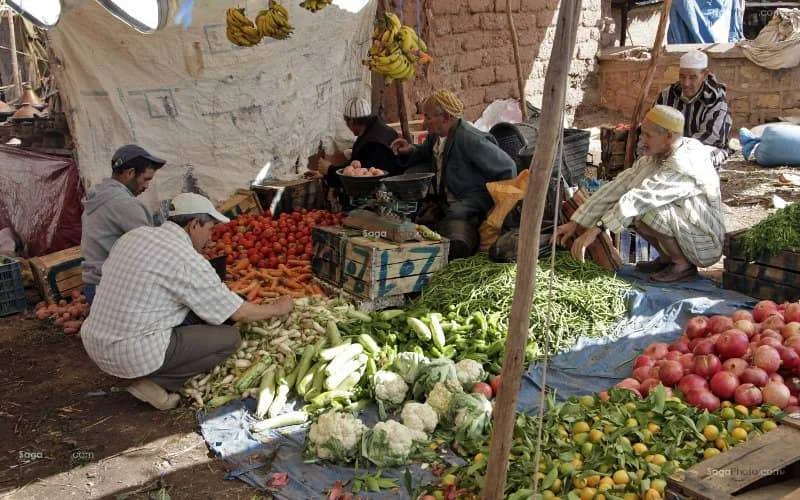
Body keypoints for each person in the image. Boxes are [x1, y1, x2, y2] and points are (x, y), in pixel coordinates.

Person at [80, 193, 294, 410]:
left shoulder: (135, 236)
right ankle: (154, 384)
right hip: (129, 352)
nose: (211, 238)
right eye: (210, 229)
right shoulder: (186, 258)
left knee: (198, 315)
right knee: (229, 338)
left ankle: (140, 372)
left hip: (95, 342)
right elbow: (238, 313)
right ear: (194, 224)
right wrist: (277, 308)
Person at [555, 105, 725, 283]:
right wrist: (576, 222)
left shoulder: (684, 162)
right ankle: (667, 260)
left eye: (648, 136)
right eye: (643, 133)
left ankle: (682, 265)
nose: (642, 140)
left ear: (668, 137)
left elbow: (641, 198)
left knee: (640, 209)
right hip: (683, 225)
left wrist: (593, 231)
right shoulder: (657, 155)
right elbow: (618, 186)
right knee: (628, 204)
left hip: (704, 238)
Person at [391, 89, 517, 259]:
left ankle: (466, 235)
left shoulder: (470, 139)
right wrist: (409, 150)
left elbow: (508, 167)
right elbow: (425, 153)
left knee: (455, 222)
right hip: (447, 198)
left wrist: (499, 207)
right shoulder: (436, 136)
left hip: (472, 198)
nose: (424, 123)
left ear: (446, 117)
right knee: (423, 222)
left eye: (428, 117)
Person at [81, 145, 166, 305]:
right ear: (130, 173)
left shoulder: (98, 196)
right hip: (111, 289)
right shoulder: (124, 203)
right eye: (146, 179)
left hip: (93, 286)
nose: (147, 186)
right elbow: (152, 251)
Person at [311, 97, 401, 209]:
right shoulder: (381, 130)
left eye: (347, 122)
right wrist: (326, 172)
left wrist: (330, 171)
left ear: (352, 121)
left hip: (381, 201)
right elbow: (357, 165)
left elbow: (359, 179)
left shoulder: (372, 143)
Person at [655, 49, 733, 168]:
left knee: (700, 160)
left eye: (692, 77)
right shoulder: (667, 96)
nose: (686, 83)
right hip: (667, 149)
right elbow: (653, 126)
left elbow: (709, 139)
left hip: (703, 149)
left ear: (704, 74)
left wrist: (674, 150)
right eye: (682, 76)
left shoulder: (716, 100)